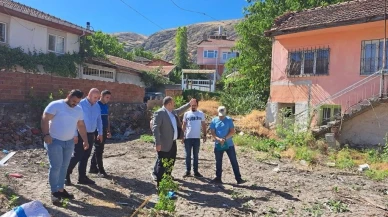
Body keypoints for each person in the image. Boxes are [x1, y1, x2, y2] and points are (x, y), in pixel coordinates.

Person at [41, 89, 89, 204]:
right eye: (73, 101)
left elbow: (81, 125)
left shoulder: (78, 109)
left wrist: (85, 140)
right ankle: (54, 193)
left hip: (69, 142)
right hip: (54, 141)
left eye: (77, 102)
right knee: (56, 166)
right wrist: (46, 134)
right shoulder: (56, 105)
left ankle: (61, 189)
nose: (75, 104)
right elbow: (45, 118)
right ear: (68, 96)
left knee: (64, 166)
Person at [152, 97, 196, 188]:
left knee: (171, 162)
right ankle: (160, 185)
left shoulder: (172, 112)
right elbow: (155, 129)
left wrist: (189, 104)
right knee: (162, 164)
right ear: (169, 104)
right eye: (173, 103)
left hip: (173, 143)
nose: (174, 105)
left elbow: (180, 110)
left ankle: (167, 179)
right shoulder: (160, 113)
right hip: (163, 144)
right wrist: (157, 143)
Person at [66, 88, 103, 185]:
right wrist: (74, 134)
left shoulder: (97, 106)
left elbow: (99, 119)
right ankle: (66, 175)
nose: (96, 99)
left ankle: (82, 178)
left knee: (86, 156)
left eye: (98, 98)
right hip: (80, 134)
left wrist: (100, 132)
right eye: (95, 97)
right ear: (89, 95)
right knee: (77, 155)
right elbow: (73, 119)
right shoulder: (80, 104)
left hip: (91, 134)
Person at [209, 106, 246, 184]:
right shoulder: (214, 120)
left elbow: (232, 131)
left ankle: (238, 178)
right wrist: (218, 139)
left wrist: (224, 139)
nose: (221, 116)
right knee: (218, 161)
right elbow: (212, 132)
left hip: (229, 144)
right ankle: (218, 178)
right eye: (220, 115)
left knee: (233, 161)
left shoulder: (229, 120)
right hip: (218, 144)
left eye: (222, 115)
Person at [182, 99, 206, 178]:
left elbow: (203, 125)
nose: (193, 107)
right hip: (188, 138)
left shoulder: (201, 114)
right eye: (192, 105)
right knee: (187, 155)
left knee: (196, 155)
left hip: (197, 138)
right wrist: (182, 136)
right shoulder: (186, 114)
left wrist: (204, 135)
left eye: (195, 105)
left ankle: (196, 171)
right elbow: (184, 125)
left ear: (197, 105)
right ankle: (188, 171)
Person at [89, 90, 112, 177]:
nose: (108, 99)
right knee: (99, 149)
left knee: (99, 149)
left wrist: (108, 130)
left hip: (104, 129)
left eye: (109, 98)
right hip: (98, 130)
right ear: (101, 96)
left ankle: (93, 167)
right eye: (107, 97)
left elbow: (107, 119)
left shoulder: (105, 106)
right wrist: (98, 132)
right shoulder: (96, 105)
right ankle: (101, 170)